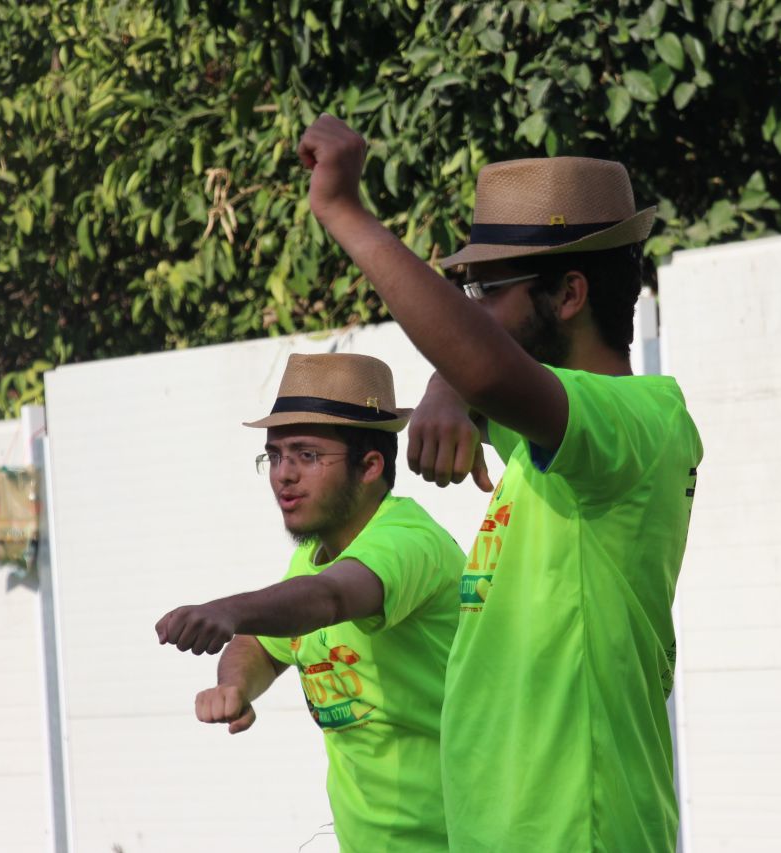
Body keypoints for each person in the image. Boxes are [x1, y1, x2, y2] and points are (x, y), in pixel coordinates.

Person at [295, 117, 703, 852]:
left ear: (569, 293)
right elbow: (482, 373)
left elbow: (486, 367)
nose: (473, 308)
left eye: (486, 289)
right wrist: (447, 386)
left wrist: (344, 211)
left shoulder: (638, 422)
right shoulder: (552, 444)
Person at [155, 352, 463, 852]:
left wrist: (229, 610)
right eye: (275, 456)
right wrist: (235, 684)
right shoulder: (313, 557)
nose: (284, 474)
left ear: (370, 466)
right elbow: (262, 643)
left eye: (307, 455)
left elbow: (331, 597)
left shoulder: (408, 541)